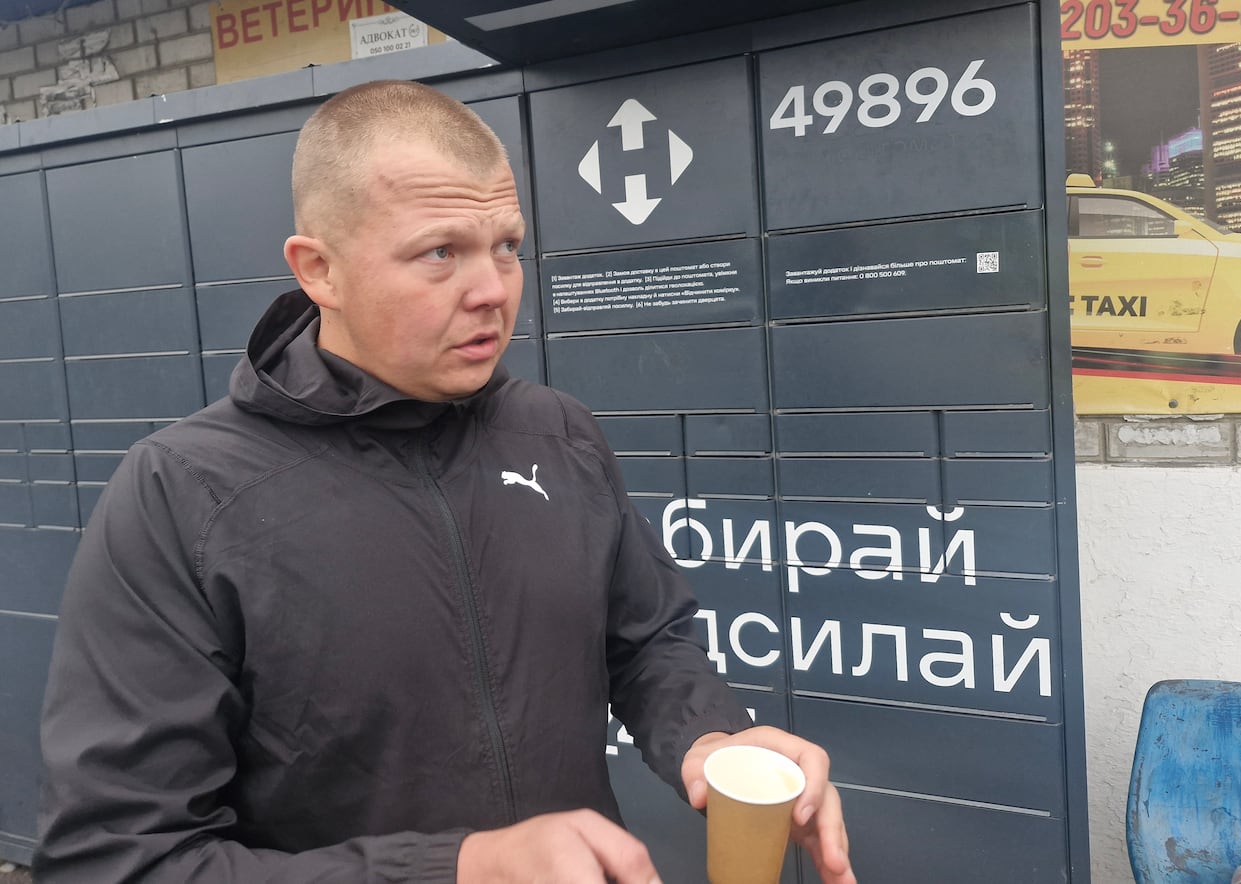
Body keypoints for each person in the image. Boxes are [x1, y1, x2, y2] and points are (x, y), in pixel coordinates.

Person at [34, 80, 856, 883]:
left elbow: (645, 642)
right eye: (440, 253)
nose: (493, 291)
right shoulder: (183, 493)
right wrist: (457, 868)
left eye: (506, 246)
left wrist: (709, 738)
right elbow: (117, 857)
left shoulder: (557, 431)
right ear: (320, 270)